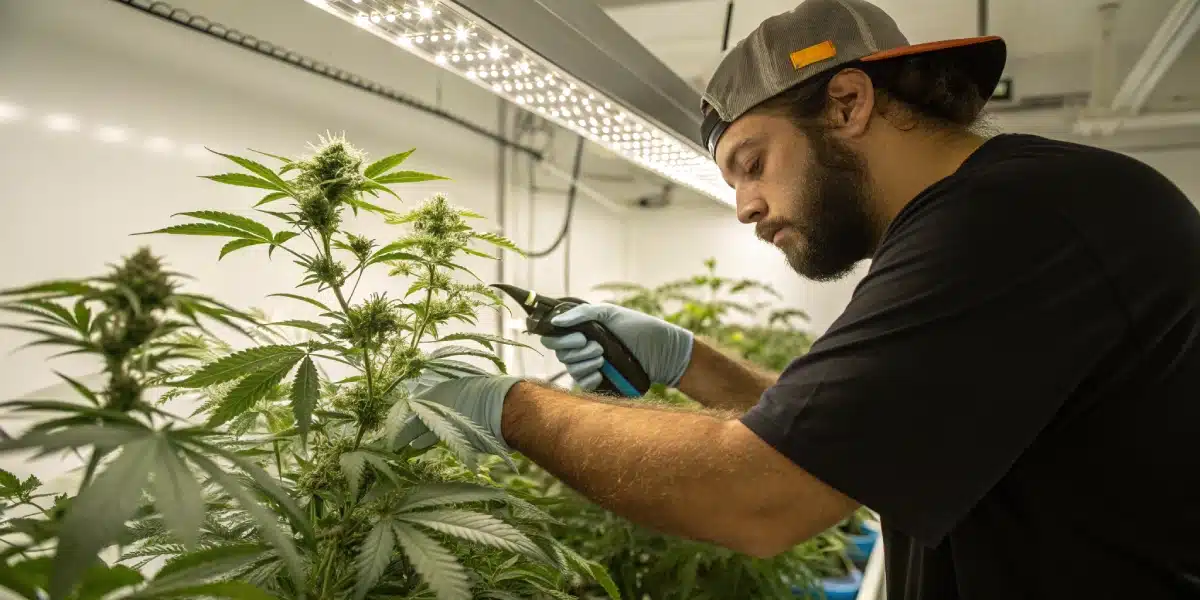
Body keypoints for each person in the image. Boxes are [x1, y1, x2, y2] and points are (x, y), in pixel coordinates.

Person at [397, 0, 1200, 597]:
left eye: (752, 162)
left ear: (848, 104)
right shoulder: (1015, 211)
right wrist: (688, 360)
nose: (744, 206)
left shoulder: (1010, 222)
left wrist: (508, 407)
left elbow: (758, 499)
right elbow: (844, 442)